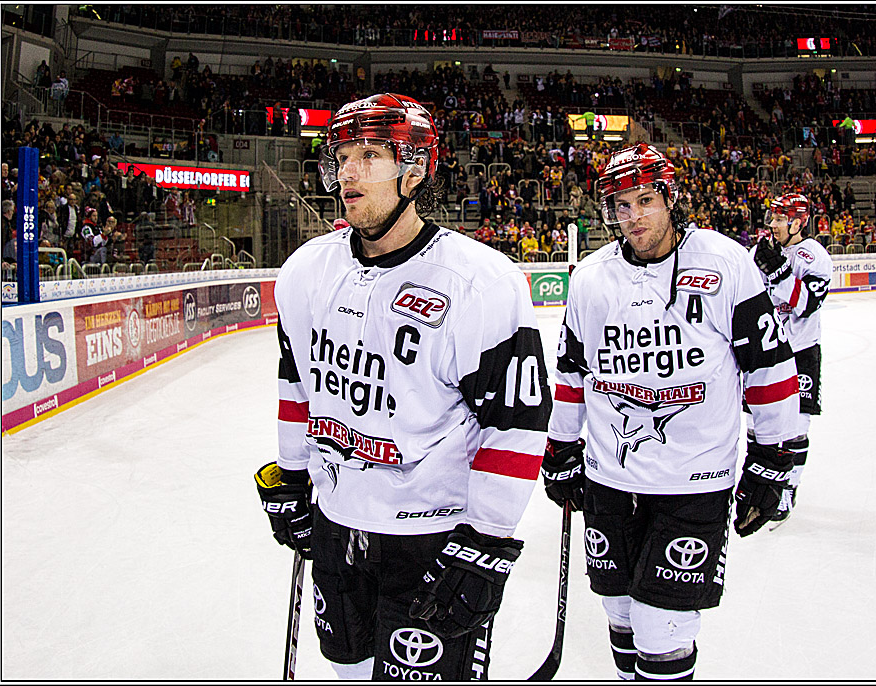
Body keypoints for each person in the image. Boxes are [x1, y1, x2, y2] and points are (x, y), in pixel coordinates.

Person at [254, 93, 552, 681]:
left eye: (369, 154)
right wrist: (291, 473)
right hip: (336, 520)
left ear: (414, 168)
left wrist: (487, 540)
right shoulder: (307, 272)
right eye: (341, 155)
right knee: (348, 670)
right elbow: (298, 384)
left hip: (431, 537)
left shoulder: (480, 282)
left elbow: (515, 423)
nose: (347, 172)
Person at [540, 143, 800, 680]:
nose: (634, 216)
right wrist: (561, 446)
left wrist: (775, 457)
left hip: (695, 479)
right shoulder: (591, 277)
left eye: (645, 200)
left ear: (671, 197)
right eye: (621, 205)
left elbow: (770, 368)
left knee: (664, 628)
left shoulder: (726, 262)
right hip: (611, 476)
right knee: (621, 611)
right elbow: (571, 372)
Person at [748, 193, 833, 525]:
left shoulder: (814, 257)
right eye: (772, 218)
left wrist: (781, 272)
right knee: (759, 426)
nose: (772, 225)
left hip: (800, 353)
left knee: (795, 427)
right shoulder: (761, 252)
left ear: (798, 223)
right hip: (767, 351)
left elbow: (808, 304)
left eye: (779, 219)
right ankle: (759, 486)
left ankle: (787, 487)